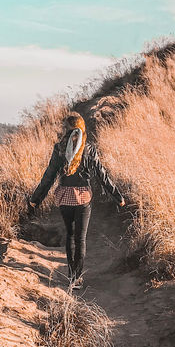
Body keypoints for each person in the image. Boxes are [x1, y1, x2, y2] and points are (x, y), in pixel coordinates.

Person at [27, 112, 125, 285]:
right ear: (82, 128)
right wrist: (117, 196)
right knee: (80, 239)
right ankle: (76, 278)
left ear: (67, 129)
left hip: (64, 197)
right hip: (82, 199)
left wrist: (36, 199)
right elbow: (102, 176)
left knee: (70, 236)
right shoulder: (88, 148)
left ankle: (72, 274)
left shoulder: (59, 148)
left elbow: (48, 177)